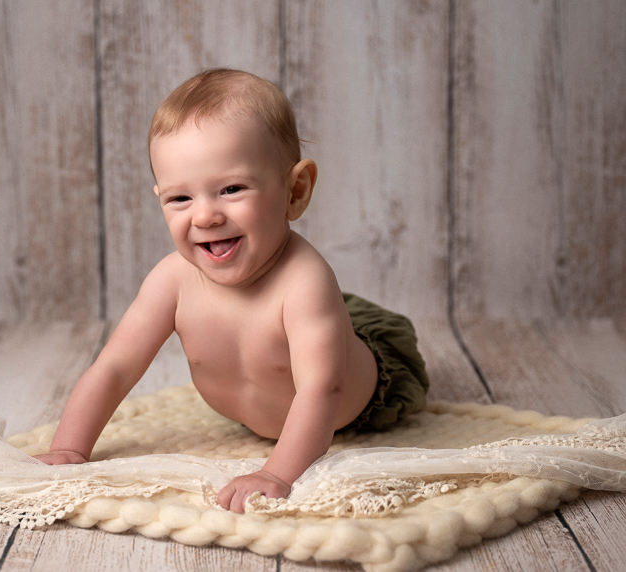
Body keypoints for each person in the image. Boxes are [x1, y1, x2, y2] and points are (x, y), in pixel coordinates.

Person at [35, 69, 429, 513]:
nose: (204, 216)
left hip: (361, 400)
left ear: (294, 191)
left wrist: (276, 472)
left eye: (231, 189)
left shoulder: (304, 280)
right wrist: (70, 448)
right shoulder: (171, 280)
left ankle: (350, 326)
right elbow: (115, 368)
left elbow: (323, 388)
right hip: (270, 391)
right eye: (180, 199)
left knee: (331, 335)